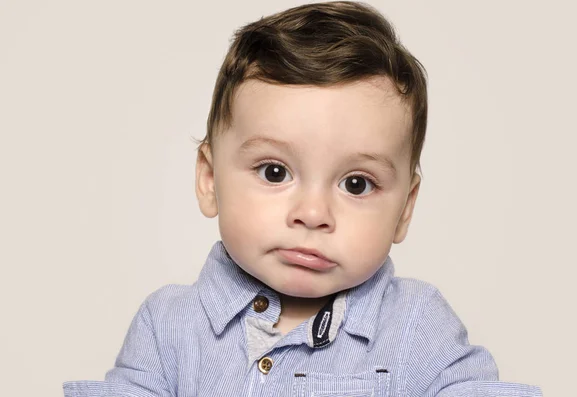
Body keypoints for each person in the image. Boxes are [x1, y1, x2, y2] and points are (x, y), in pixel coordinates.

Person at [63, 2, 543, 396]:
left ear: (405, 208)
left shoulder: (418, 326)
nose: (313, 214)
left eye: (356, 184)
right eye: (275, 172)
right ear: (210, 179)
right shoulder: (167, 328)